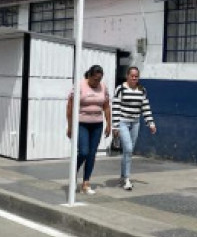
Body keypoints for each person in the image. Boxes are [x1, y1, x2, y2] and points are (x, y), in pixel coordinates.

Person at [66, 65, 111, 194]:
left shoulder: (103, 87)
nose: (97, 82)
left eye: (100, 79)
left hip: (97, 124)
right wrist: (70, 126)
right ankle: (73, 174)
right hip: (82, 123)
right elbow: (70, 107)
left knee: (92, 154)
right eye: (95, 79)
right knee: (84, 152)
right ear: (89, 76)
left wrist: (108, 123)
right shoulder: (79, 86)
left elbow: (106, 106)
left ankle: (86, 183)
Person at [112, 67, 156, 191]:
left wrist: (151, 123)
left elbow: (145, 107)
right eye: (132, 76)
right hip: (123, 121)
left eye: (136, 76)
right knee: (129, 149)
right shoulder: (120, 89)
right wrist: (115, 126)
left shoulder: (142, 90)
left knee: (128, 152)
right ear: (127, 76)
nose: (134, 78)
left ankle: (122, 176)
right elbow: (115, 107)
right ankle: (127, 179)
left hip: (136, 122)